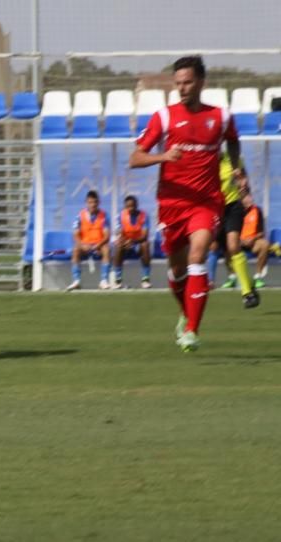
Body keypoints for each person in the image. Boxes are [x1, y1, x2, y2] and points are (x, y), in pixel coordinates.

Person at [129, 55, 242, 352]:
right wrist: (163, 156)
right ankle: (185, 313)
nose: (182, 88)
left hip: (206, 202)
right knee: (177, 271)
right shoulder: (164, 117)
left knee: (197, 256)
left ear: (201, 82)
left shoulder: (220, 116)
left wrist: (236, 165)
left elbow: (232, 140)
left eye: (188, 82)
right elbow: (135, 158)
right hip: (171, 203)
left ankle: (192, 330)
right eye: (178, 83)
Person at [207, 150, 259, 307]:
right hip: (214, 209)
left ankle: (247, 294)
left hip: (233, 206)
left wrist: (243, 184)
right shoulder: (203, 162)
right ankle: (249, 283)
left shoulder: (233, 158)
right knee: (220, 249)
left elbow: (244, 178)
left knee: (233, 245)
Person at [66, 190, 111, 290]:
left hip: (98, 245)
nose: (93, 205)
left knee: (106, 248)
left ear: (98, 202)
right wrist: (82, 245)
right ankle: (76, 281)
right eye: (90, 202)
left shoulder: (104, 216)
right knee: (76, 249)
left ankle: (104, 281)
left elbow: (107, 236)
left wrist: (98, 245)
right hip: (85, 245)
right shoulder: (80, 215)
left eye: (95, 202)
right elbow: (76, 235)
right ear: (86, 202)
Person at [111, 195, 152, 289]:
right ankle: (118, 279)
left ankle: (145, 279)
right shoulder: (120, 216)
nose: (131, 208)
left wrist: (132, 241)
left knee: (146, 245)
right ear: (125, 207)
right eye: (128, 206)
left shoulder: (144, 216)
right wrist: (125, 242)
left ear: (137, 205)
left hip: (138, 243)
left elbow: (144, 235)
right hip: (126, 244)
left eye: (133, 206)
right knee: (118, 245)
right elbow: (119, 234)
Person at [238, 193, 270, 287]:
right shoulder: (236, 212)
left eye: (249, 197)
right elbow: (231, 232)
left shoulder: (257, 211)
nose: (249, 200)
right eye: (245, 198)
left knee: (265, 244)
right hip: (238, 243)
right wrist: (241, 240)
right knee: (228, 244)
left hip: (252, 243)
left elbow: (262, 233)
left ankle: (258, 277)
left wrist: (253, 239)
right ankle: (232, 277)